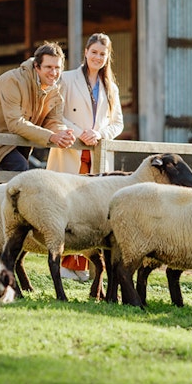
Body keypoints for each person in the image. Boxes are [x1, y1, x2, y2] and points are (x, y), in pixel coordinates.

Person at [47, 33, 124, 280]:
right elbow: (56, 114)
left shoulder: (111, 87)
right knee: (68, 206)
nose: (98, 57)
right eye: (94, 52)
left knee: (93, 211)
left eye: (103, 54)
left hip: (96, 154)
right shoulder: (67, 79)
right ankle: (64, 263)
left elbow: (117, 123)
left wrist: (99, 134)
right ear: (86, 52)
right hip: (71, 149)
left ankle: (82, 266)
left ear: (107, 56)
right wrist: (81, 134)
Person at [0, 41, 74, 173]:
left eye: (57, 68)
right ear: (37, 66)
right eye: (48, 67)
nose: (54, 72)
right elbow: (15, 123)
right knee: (19, 169)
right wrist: (51, 137)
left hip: (16, 142)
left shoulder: (58, 87)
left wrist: (62, 133)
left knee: (11, 186)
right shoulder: (13, 81)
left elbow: (53, 120)